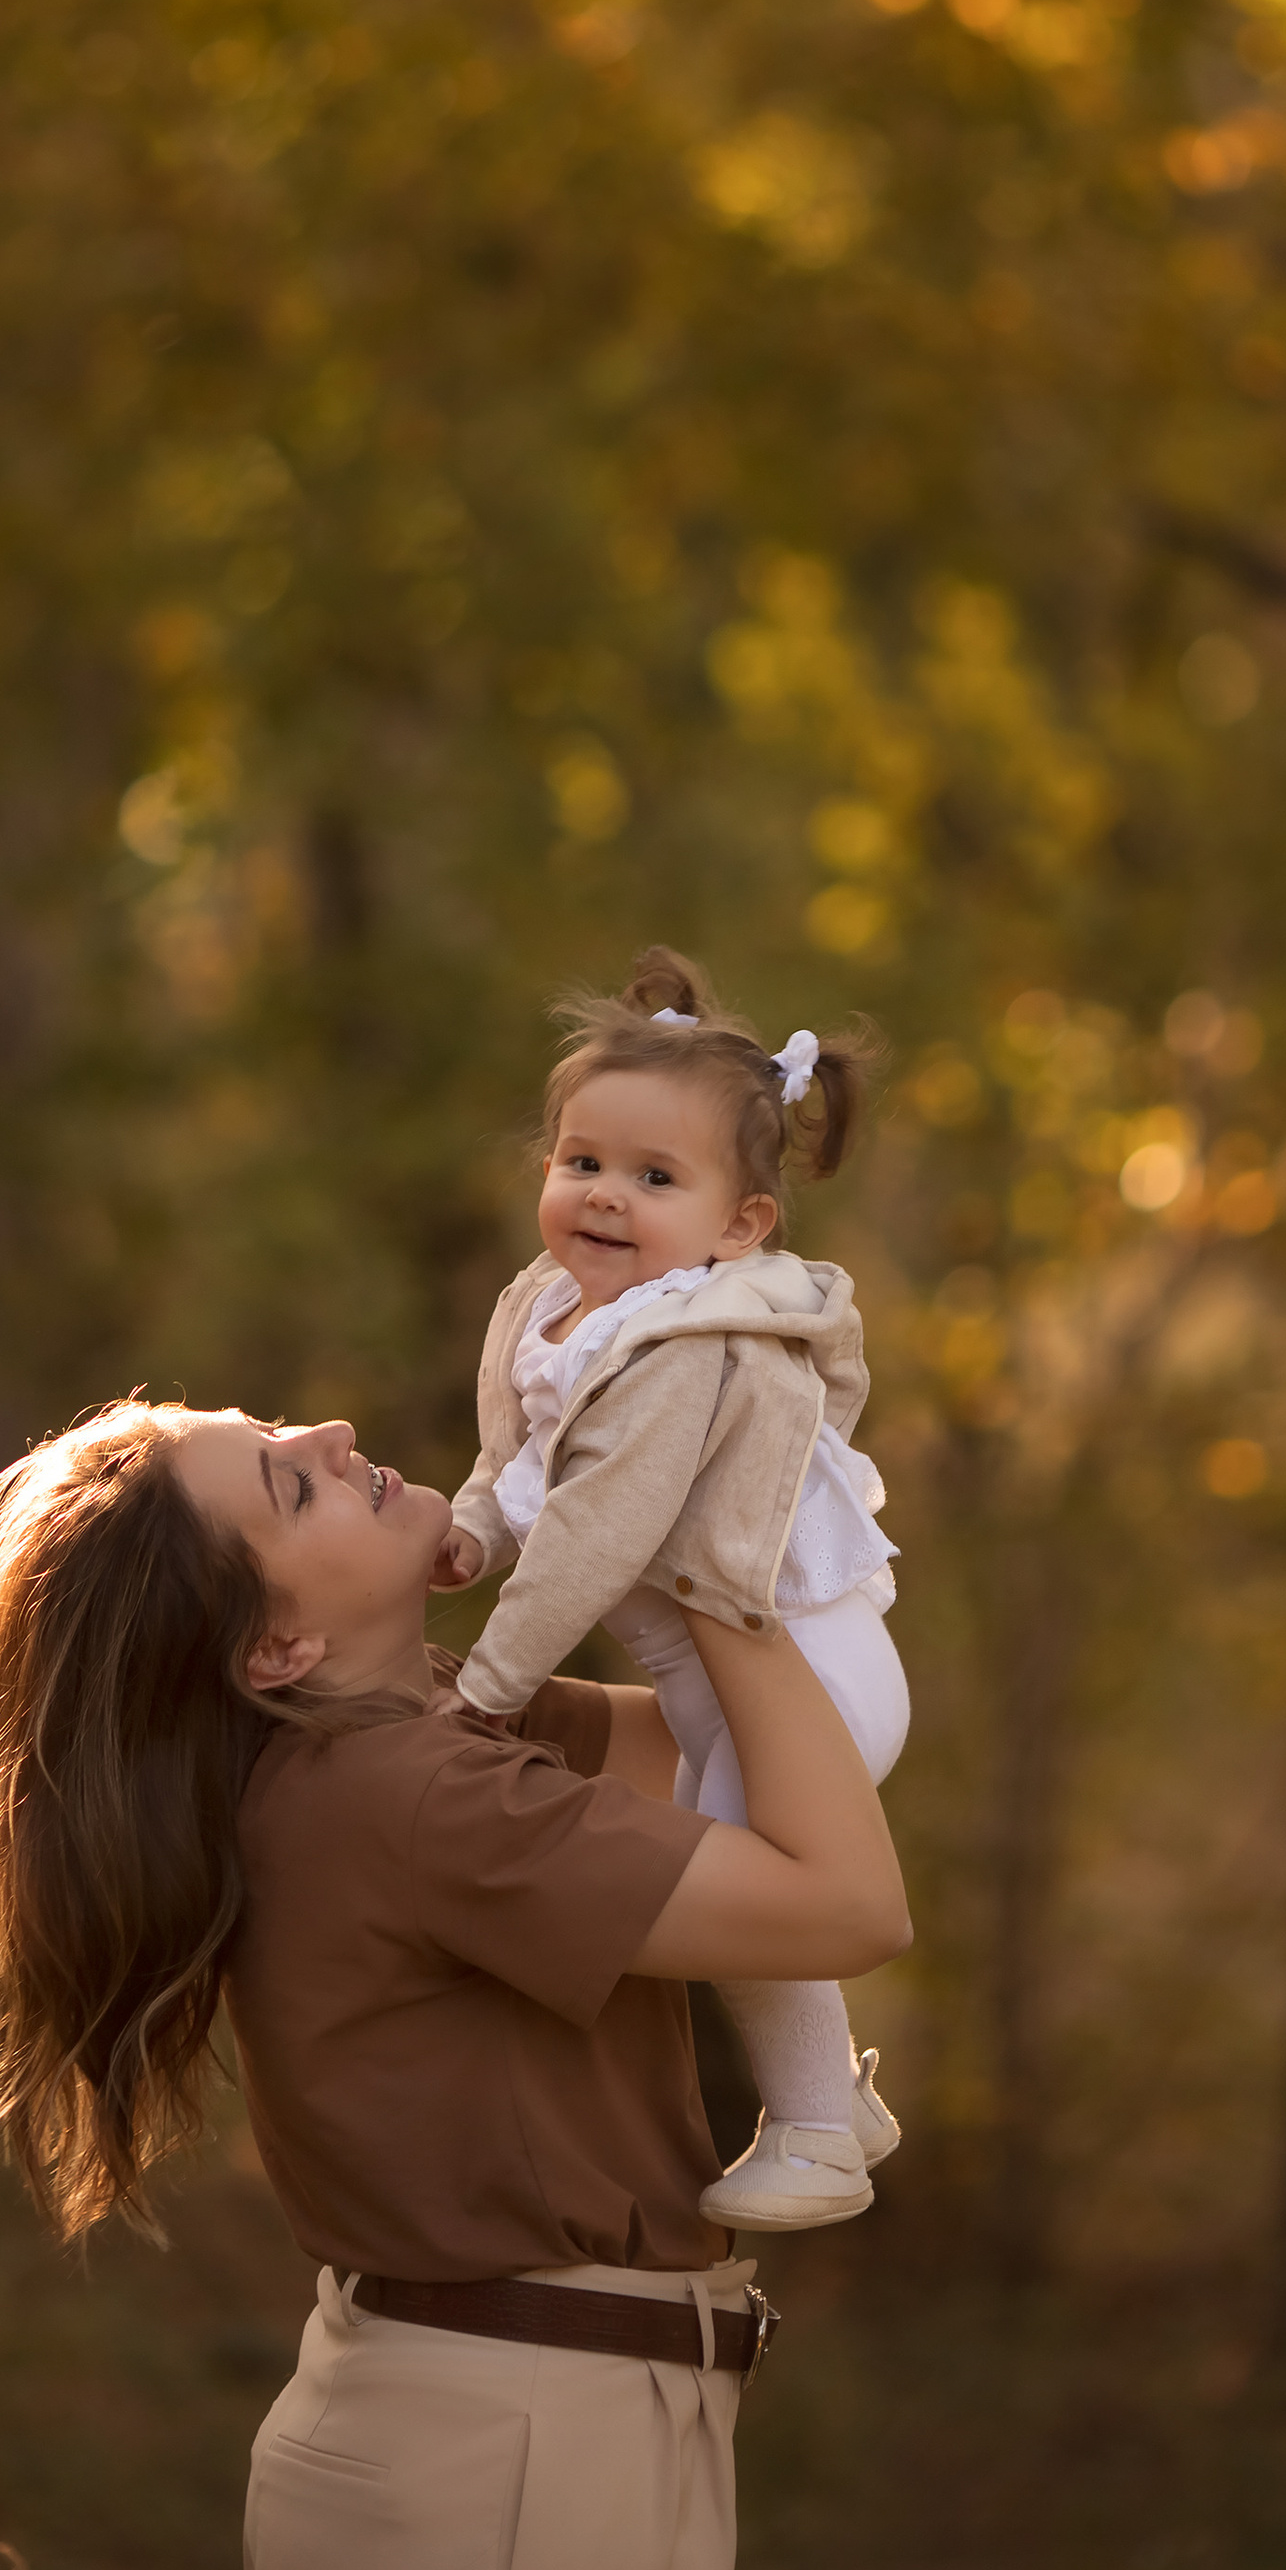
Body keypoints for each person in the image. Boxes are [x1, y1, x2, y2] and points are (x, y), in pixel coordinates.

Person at [0, 1389, 910, 2570]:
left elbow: (782, 1753)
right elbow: (845, 1904)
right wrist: (714, 1553)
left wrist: (685, 1476)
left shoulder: (430, 1731)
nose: (324, 1437)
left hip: (526, 2430)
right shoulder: (417, 1799)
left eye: (279, 1433)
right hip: (510, 2452)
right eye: (286, 1484)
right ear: (274, 1651)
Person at [432, 946, 906, 2232]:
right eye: (580, 1161)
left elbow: (591, 1536)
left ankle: (815, 2131)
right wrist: (470, 1538)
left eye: (654, 1178)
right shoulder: (554, 1309)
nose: (602, 1197)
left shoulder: (679, 1348)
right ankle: (841, 2102)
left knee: (745, 1875)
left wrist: (484, 1692)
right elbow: (516, 1469)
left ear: (738, 1226)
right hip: (723, 1685)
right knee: (724, 1856)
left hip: (808, 1667)